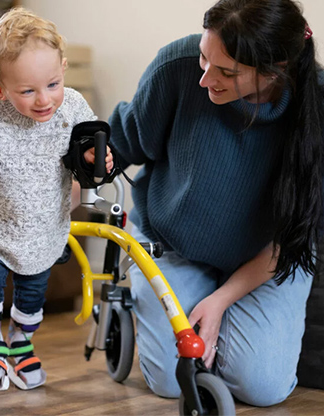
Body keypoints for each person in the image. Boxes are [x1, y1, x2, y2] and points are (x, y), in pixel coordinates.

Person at [109, 0, 324, 407]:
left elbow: (297, 234)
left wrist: (221, 301)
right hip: (173, 243)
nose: (206, 79)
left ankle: (221, 324)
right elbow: (122, 142)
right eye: (205, 59)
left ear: (275, 70)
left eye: (227, 72)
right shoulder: (177, 65)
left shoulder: (316, 107)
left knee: (262, 387)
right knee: (173, 382)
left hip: (268, 260)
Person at [0, 7, 112, 391]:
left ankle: (21, 342)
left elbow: (88, 145)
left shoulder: (71, 106)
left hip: (44, 229)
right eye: (27, 91)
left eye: (52, 84)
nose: (44, 100)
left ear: (63, 69)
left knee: (34, 293)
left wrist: (93, 158)